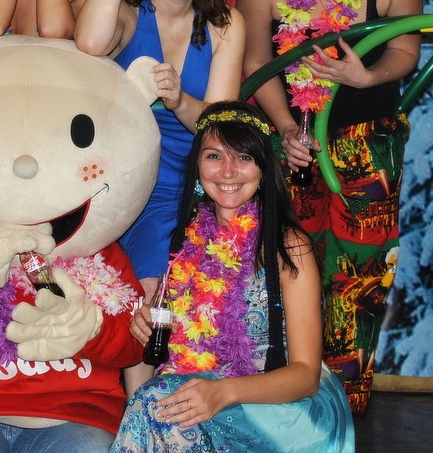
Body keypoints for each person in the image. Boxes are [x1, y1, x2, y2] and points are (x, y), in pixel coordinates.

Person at [236, 0, 422, 413]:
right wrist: (285, 129)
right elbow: (254, 64)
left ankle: (347, 398)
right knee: (294, 260)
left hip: (369, 139)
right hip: (292, 142)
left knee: (361, 271)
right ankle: (288, 389)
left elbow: (406, 49)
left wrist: (366, 76)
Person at [112, 102, 355, 453]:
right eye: (214, 156)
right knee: (157, 404)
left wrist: (222, 392)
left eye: (243, 157)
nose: (228, 171)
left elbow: (305, 376)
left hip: (282, 411)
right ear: (197, 166)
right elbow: (163, 351)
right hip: (203, 391)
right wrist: (147, 327)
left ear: (263, 168)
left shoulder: (288, 246)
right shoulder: (183, 240)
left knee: (160, 407)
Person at [75, 0, 245, 303]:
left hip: (178, 186)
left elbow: (220, 125)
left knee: (155, 295)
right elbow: (89, 42)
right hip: (109, 179)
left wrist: (178, 99)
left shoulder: (225, 23)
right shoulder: (127, 10)